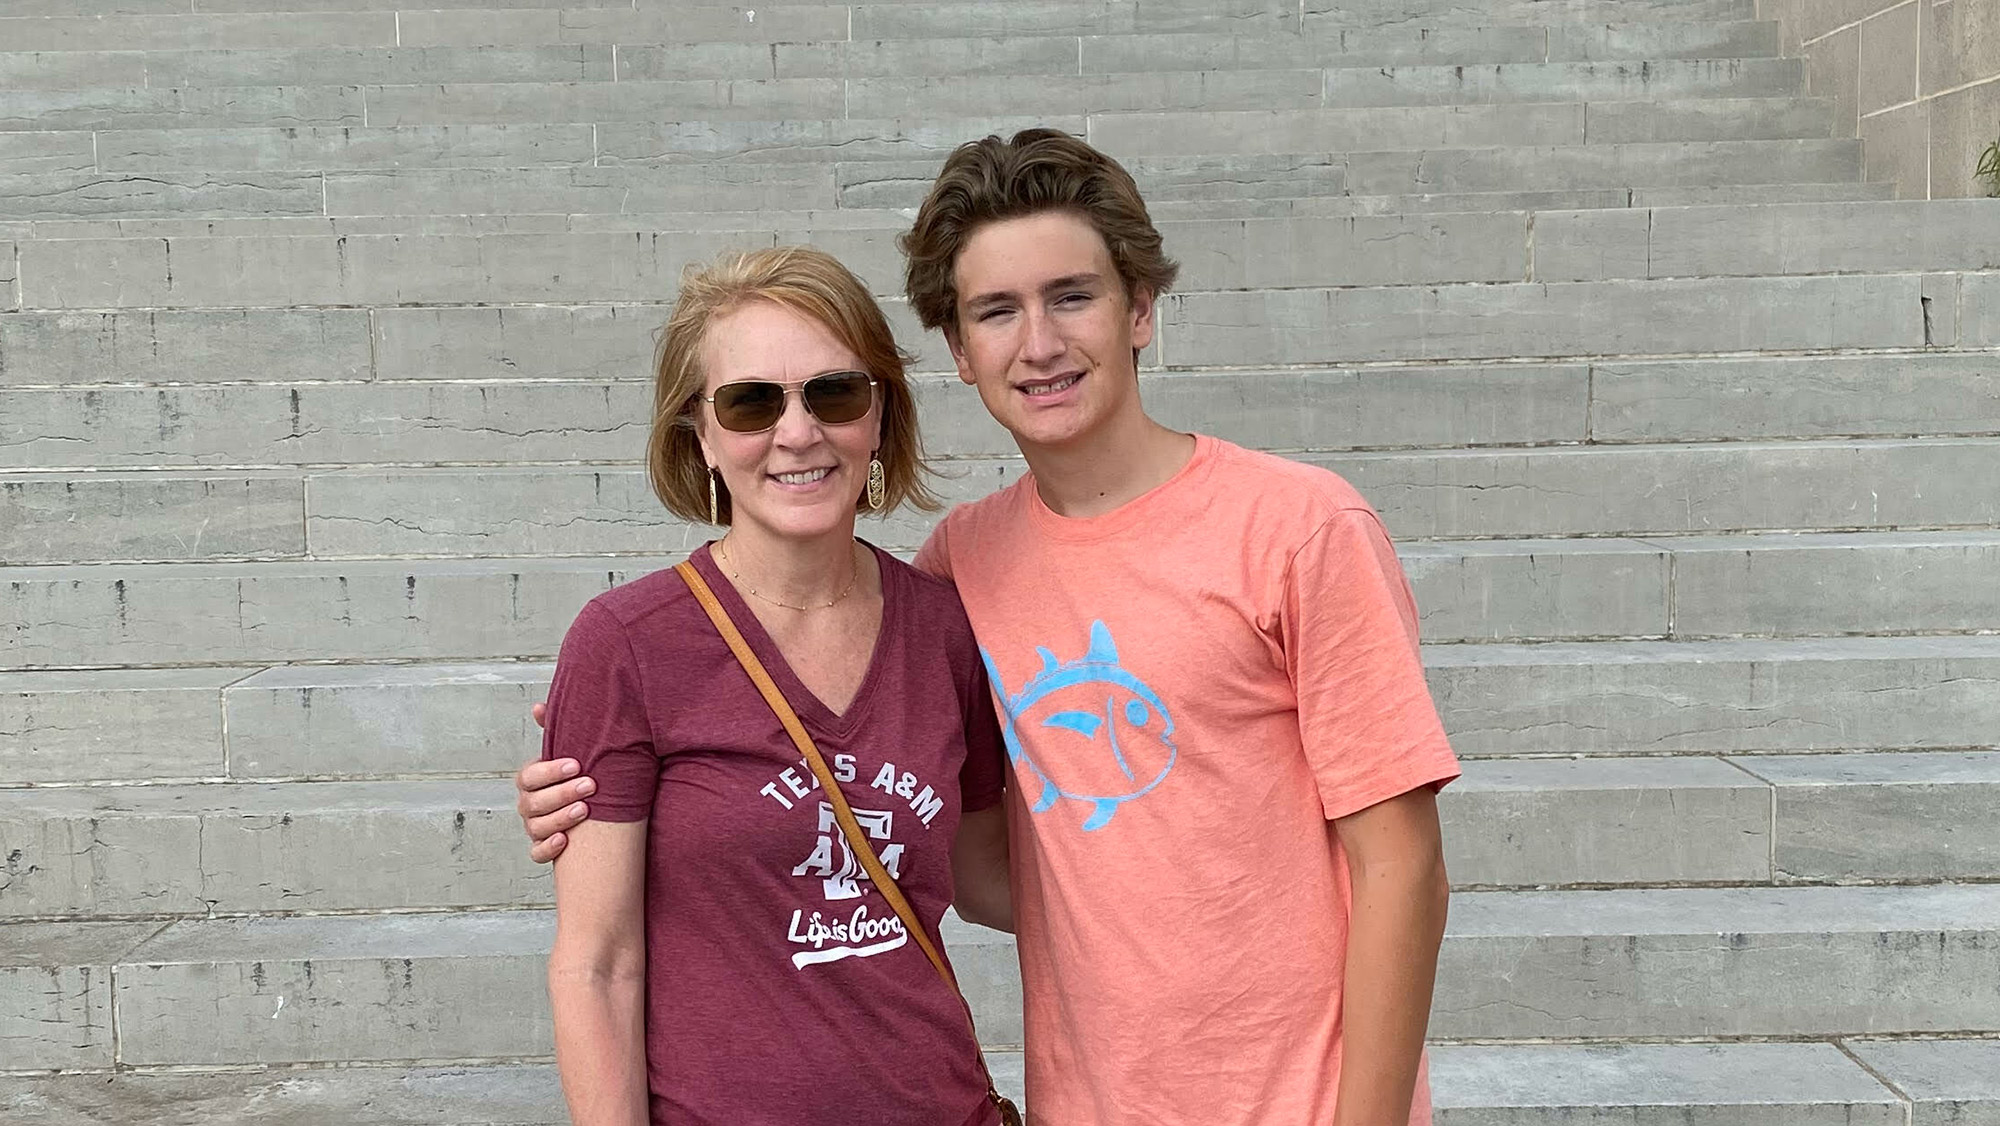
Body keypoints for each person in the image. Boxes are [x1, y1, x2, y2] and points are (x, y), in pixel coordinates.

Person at [520, 130, 1460, 1126]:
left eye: (1071, 295)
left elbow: (1404, 868)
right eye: (995, 312)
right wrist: (592, 761)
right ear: (960, 353)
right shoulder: (963, 569)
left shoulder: (1298, 527)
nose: (1039, 343)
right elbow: (986, 865)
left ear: (1138, 307)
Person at [537, 244, 1012, 1126]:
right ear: (703, 434)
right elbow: (596, 963)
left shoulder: (945, 630)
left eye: (833, 392)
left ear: (878, 417)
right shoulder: (628, 645)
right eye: (752, 402)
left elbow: (989, 877)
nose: (799, 432)